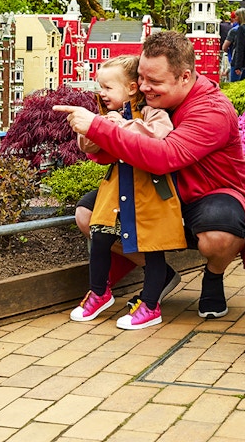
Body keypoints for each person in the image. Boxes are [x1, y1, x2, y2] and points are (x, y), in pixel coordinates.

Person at [54, 31, 245, 319]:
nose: (143, 87)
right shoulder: (145, 102)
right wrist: (96, 133)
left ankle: (214, 276)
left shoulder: (212, 110)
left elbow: (164, 157)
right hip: (155, 190)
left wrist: (100, 128)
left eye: (154, 81)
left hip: (206, 195)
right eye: (140, 78)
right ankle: (159, 273)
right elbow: (116, 152)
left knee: (218, 236)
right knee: (89, 215)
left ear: (184, 77)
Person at [68, 55, 184, 330]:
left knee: (152, 247)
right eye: (100, 87)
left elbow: (158, 135)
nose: (102, 93)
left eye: (108, 87)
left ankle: (151, 305)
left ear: (131, 88)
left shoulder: (153, 113)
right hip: (116, 189)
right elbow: (89, 146)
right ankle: (99, 292)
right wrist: (89, 126)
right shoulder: (105, 115)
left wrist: (118, 125)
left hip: (150, 191)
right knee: (100, 236)